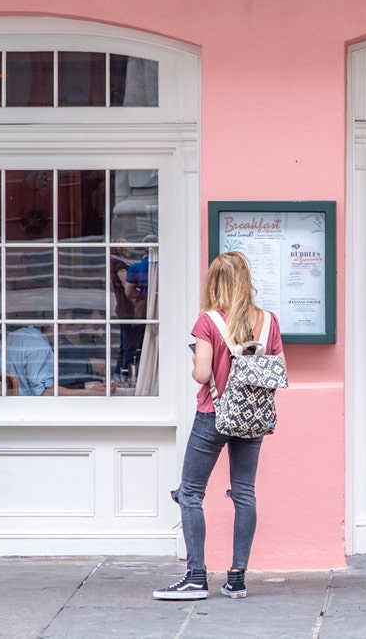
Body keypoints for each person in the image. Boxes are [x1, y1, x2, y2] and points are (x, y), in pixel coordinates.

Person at [154, 251, 284, 601]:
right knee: (244, 493)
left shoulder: (208, 322)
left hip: (213, 414)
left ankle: (196, 576)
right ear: (246, 280)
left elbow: (202, 374)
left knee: (191, 492)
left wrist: (196, 358)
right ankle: (237, 578)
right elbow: (278, 371)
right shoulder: (269, 321)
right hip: (253, 417)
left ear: (214, 282)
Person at [0, 319, 109, 396]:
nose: (68, 334)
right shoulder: (41, 348)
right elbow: (46, 393)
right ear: (53, 324)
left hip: (4, 410)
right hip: (28, 418)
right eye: (69, 327)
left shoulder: (9, 339)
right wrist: (92, 393)